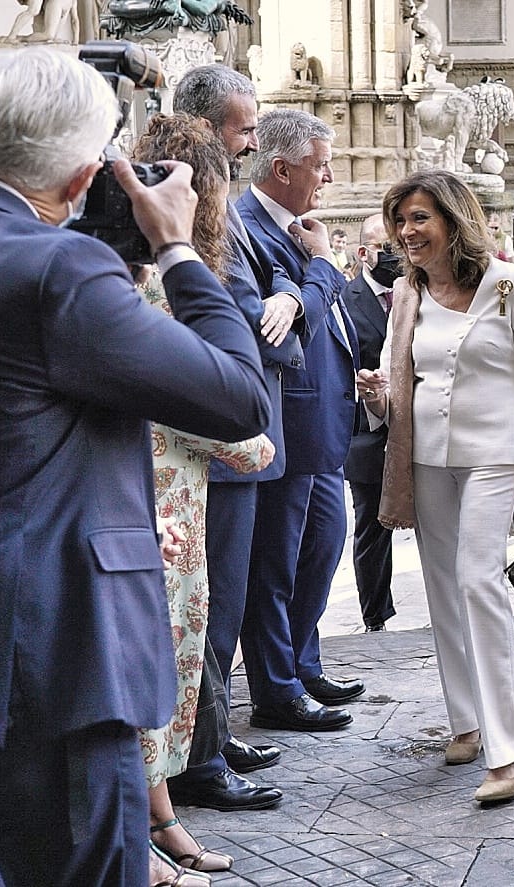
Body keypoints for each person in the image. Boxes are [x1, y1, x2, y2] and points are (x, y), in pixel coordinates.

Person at [0, 47, 269, 887]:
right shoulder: (61, 269)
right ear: (85, 176)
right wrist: (179, 248)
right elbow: (236, 398)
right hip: (61, 645)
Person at [360, 168, 514, 804]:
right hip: (424, 452)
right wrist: (380, 397)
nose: (407, 231)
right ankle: (466, 721)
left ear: (453, 221)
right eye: (401, 220)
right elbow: (407, 381)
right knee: (441, 586)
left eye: (419, 217)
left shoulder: (511, 284)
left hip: (494, 452)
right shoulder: (408, 293)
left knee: (479, 579)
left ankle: (512, 743)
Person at [131, 114, 277, 884]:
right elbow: (214, 398)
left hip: (175, 497)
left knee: (166, 669)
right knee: (152, 670)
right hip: (153, 505)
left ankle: (160, 819)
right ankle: (144, 834)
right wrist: (253, 443)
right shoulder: (160, 279)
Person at [163, 61, 289, 813]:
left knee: (217, 606)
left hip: (225, 441)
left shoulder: (219, 205)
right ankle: (195, 758)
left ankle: (205, 738)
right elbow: (223, 331)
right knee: (198, 610)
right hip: (205, 449)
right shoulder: (184, 216)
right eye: (244, 128)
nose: (250, 141)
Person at [237, 108, 363, 732]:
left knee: (321, 549)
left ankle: (302, 662)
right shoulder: (250, 229)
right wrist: (323, 267)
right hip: (288, 421)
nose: (330, 176)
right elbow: (284, 324)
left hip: (324, 421)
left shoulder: (299, 226)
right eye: (319, 166)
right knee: (279, 563)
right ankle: (276, 688)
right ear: (282, 168)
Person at [343, 214, 401, 633]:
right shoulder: (346, 300)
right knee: (372, 526)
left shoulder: (422, 292)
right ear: (364, 253)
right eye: (388, 248)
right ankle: (375, 617)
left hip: (418, 428)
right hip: (367, 432)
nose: (397, 257)